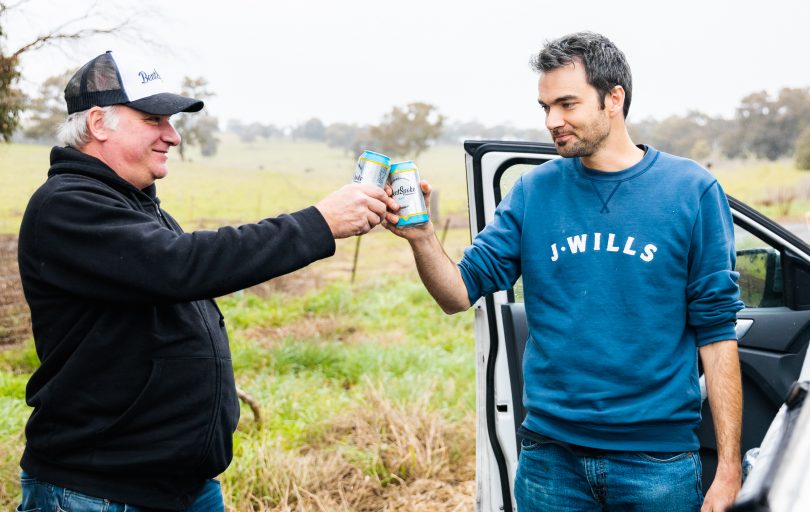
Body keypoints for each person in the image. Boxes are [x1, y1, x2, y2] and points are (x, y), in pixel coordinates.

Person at [16, 51, 399, 512]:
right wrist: (319, 222)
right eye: (154, 119)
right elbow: (182, 266)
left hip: (184, 486)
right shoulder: (67, 205)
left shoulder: (134, 205)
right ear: (99, 123)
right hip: (97, 492)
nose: (172, 136)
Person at [386, 32, 744, 512]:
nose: (553, 121)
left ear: (613, 99)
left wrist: (729, 468)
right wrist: (422, 237)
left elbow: (717, 335)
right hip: (550, 461)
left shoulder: (691, 191)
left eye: (567, 104)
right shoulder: (533, 192)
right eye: (545, 106)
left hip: (657, 463)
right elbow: (457, 293)